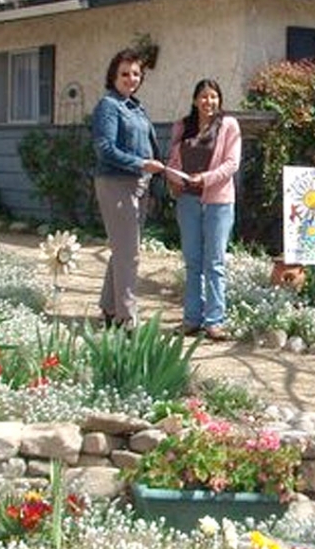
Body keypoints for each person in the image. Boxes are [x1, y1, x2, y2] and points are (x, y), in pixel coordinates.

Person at [91, 48, 165, 330]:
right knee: (129, 254)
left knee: (122, 250)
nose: (131, 78)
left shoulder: (135, 106)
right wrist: (141, 164)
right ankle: (127, 317)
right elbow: (105, 149)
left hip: (139, 185)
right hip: (116, 183)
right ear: (113, 75)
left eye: (136, 74)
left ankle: (109, 309)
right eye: (125, 73)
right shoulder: (109, 106)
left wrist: (150, 171)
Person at [166, 78, 242, 341]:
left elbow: (232, 164)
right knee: (192, 262)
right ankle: (191, 319)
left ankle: (215, 321)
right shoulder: (182, 127)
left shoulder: (229, 125)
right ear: (194, 100)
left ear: (219, 100)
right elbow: (173, 160)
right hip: (187, 201)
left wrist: (206, 179)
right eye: (203, 97)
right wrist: (174, 180)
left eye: (213, 97)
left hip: (218, 202)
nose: (208, 101)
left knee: (215, 262)